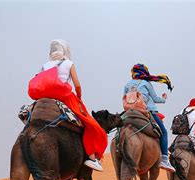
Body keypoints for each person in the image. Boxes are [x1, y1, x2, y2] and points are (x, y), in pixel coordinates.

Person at [38, 39, 107, 172]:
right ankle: (92, 158)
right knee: (88, 123)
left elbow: (40, 83)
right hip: (65, 98)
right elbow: (77, 85)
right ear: (64, 50)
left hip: (46, 98)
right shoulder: (69, 63)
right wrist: (79, 97)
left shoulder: (45, 65)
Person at [123, 64, 175, 172]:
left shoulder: (127, 84)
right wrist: (164, 98)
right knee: (164, 132)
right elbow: (155, 99)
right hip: (147, 110)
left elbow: (125, 98)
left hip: (129, 111)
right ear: (144, 72)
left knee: (118, 125)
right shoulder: (146, 83)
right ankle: (164, 159)